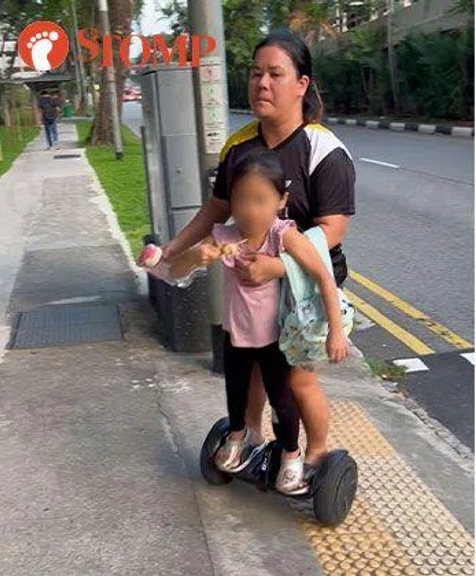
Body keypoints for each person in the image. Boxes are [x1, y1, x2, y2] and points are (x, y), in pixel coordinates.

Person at [139, 30, 356, 473]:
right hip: (252, 282)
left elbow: (332, 230)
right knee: (252, 363)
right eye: (256, 74)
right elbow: (216, 210)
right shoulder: (239, 147)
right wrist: (172, 249)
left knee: (295, 377)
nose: (262, 83)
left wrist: (278, 265)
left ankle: (315, 455)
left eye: (275, 74)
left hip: (304, 284)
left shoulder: (325, 151)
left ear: (301, 84)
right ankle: (251, 435)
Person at [167, 150, 348, 493]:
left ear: (281, 201)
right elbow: (176, 271)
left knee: (282, 401)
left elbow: (324, 277)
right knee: (235, 393)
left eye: (260, 200)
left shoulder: (282, 235)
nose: (250, 210)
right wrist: (193, 255)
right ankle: (238, 436)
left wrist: (335, 332)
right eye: (241, 200)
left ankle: (292, 456)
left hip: (273, 340)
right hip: (235, 335)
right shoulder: (223, 236)